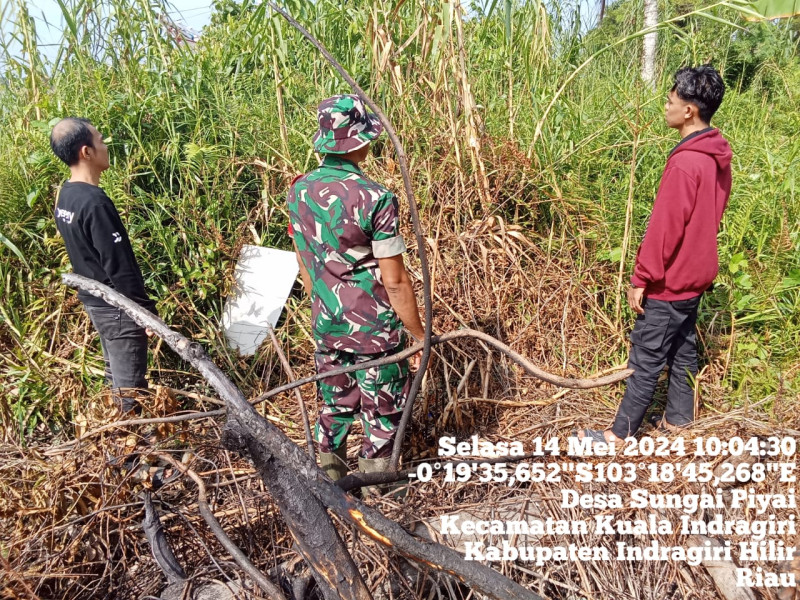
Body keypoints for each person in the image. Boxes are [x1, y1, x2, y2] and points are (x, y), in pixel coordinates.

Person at [580, 65, 732, 445]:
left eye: (670, 100)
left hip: (671, 279)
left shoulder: (685, 162)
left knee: (646, 358)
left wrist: (641, 278)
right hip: (696, 277)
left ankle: (619, 436)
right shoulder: (715, 157)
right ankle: (679, 421)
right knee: (682, 349)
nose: (665, 106)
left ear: (689, 112)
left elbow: (665, 228)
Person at [287, 94, 425, 482]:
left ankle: (330, 490)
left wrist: (325, 302)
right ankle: (380, 503)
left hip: (327, 324)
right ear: (361, 142)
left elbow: (305, 262)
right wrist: (417, 334)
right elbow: (394, 280)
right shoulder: (377, 198)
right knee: (381, 415)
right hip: (373, 334)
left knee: (333, 408)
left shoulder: (298, 191)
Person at [51, 117, 157, 415]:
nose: (105, 145)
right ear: (86, 152)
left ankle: (120, 447)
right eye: (100, 140)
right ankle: (130, 455)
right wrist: (144, 312)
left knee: (116, 379)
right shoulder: (94, 202)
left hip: (96, 302)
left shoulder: (66, 195)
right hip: (118, 308)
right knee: (130, 391)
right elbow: (118, 263)